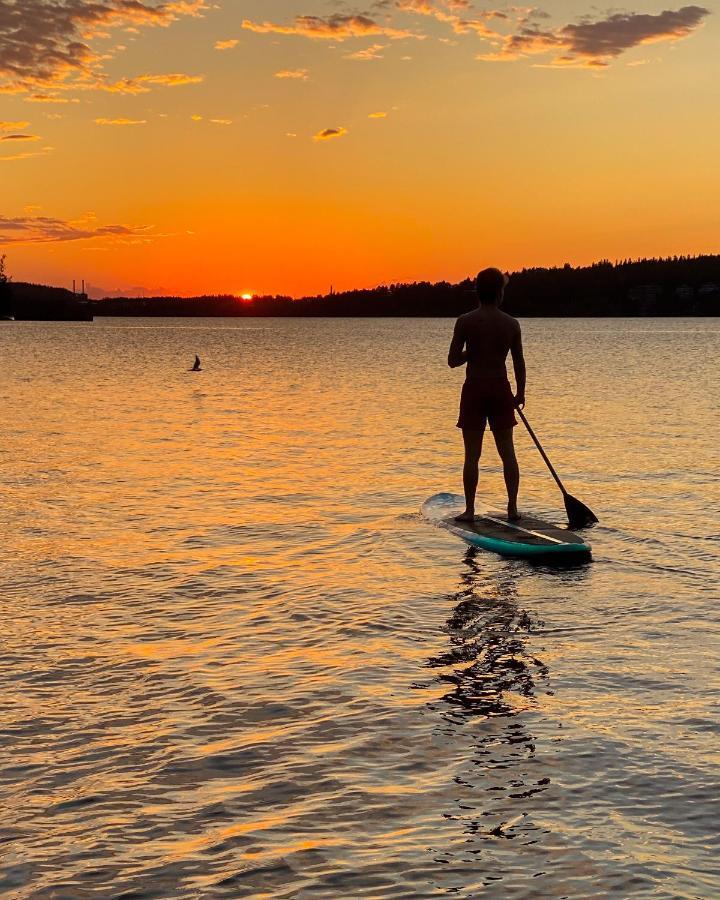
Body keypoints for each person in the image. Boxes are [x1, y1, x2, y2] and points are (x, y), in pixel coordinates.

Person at [448, 267, 526, 522]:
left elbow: (452, 361)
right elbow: (518, 363)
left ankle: (469, 511)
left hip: (475, 388)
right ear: (499, 293)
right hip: (500, 388)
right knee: (508, 451)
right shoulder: (511, 324)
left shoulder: (466, 321)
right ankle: (512, 509)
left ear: (478, 292)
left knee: (472, 454)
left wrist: (472, 351)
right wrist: (520, 393)